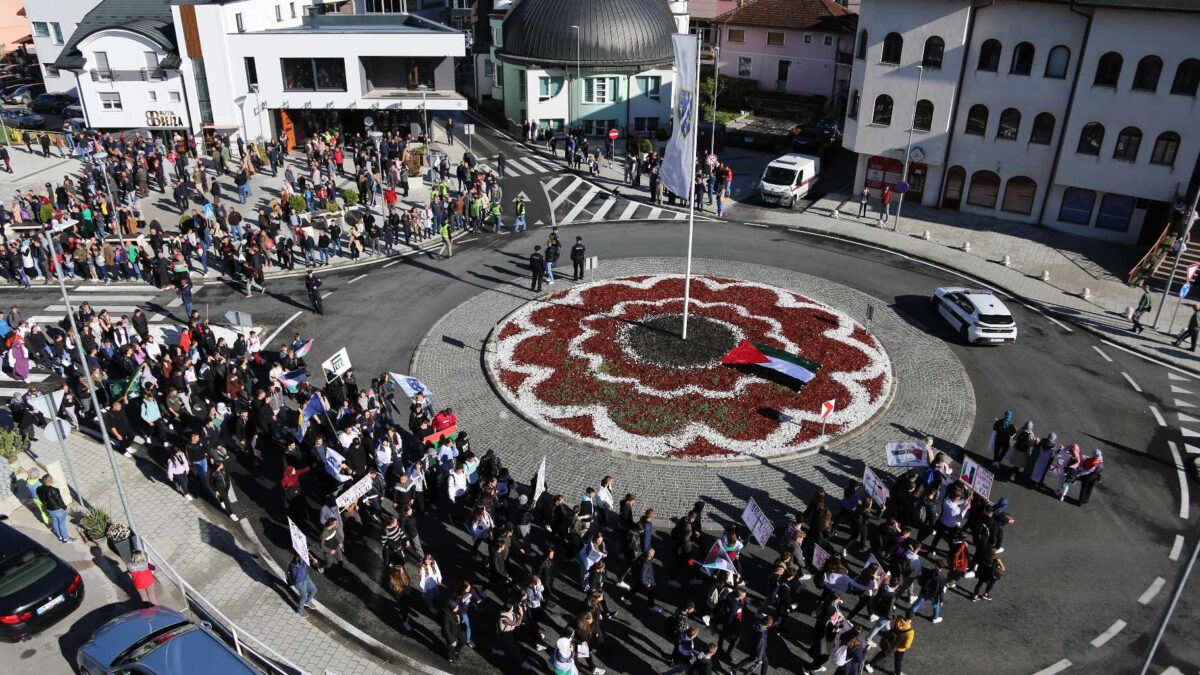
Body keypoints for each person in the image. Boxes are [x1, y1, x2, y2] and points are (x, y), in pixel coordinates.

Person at [37, 475, 71, 543]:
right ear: (50, 481)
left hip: (49, 509)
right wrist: (64, 507)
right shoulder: (53, 490)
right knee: (62, 524)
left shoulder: (39, 489)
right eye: (52, 478)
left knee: (55, 522)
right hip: (58, 510)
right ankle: (66, 539)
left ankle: (60, 537)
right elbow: (59, 501)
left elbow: (41, 499)